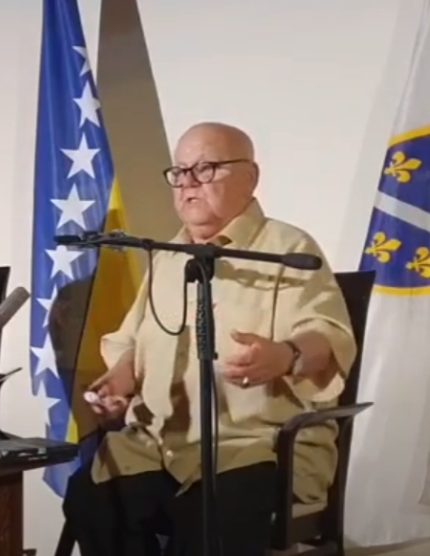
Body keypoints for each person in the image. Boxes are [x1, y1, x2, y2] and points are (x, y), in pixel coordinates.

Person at [62, 122, 357, 556]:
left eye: (205, 168)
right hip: (159, 444)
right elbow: (132, 342)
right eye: (180, 171)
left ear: (250, 177)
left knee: (211, 516)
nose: (188, 183)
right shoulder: (167, 256)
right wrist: (122, 378)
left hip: (258, 447)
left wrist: (286, 355)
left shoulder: (288, 248)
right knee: (92, 497)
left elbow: (327, 335)